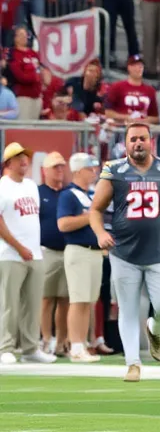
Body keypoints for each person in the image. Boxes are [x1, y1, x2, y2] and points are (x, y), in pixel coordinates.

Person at [89, 122, 160, 382]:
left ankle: (156, 327)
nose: (137, 143)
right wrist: (100, 233)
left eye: (142, 138)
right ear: (126, 143)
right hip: (123, 251)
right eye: (133, 139)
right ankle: (133, 363)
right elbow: (96, 208)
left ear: (151, 141)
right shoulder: (114, 170)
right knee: (128, 310)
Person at [0, 143, 52, 364]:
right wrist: (19, 246)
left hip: (35, 254)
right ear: (8, 163)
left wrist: (32, 248)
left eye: (26, 157)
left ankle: (31, 348)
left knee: (32, 304)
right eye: (18, 157)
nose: (24, 161)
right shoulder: (3, 186)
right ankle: (5, 347)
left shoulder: (31, 186)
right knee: (9, 303)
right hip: (10, 254)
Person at [57, 153, 103, 363]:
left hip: (94, 251)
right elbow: (63, 224)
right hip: (78, 250)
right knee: (78, 299)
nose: (93, 172)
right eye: (89, 168)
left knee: (88, 301)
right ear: (77, 171)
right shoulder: (68, 195)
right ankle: (75, 345)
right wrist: (89, 217)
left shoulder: (92, 194)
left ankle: (81, 342)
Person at [38, 152, 69, 357]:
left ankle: (60, 341)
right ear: (45, 171)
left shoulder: (68, 193)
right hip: (46, 250)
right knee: (47, 298)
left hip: (68, 251)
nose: (59, 170)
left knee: (65, 299)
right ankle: (46, 339)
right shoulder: (38, 192)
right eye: (55, 167)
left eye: (61, 166)